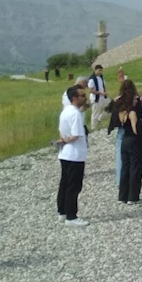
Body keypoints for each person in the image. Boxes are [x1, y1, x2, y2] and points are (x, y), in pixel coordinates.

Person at [55, 85, 90, 226]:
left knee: (64, 184)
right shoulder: (75, 113)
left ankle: (62, 212)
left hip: (65, 154)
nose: (85, 97)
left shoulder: (65, 111)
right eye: (82, 95)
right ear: (74, 98)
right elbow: (75, 135)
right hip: (74, 154)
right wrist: (64, 140)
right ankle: (71, 216)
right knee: (73, 186)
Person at [117, 88, 142, 205]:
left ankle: (122, 195)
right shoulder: (132, 112)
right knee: (135, 168)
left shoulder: (121, 111)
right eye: (134, 98)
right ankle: (132, 196)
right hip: (133, 140)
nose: (136, 100)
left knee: (125, 168)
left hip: (124, 140)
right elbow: (135, 129)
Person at [87, 64, 109, 131]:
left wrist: (105, 92)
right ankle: (94, 128)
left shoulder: (101, 77)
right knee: (95, 114)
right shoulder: (92, 79)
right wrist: (101, 93)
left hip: (103, 97)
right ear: (95, 70)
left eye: (101, 70)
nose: (100, 72)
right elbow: (90, 90)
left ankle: (101, 118)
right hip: (96, 98)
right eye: (99, 70)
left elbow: (103, 85)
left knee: (111, 106)